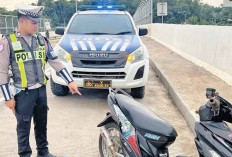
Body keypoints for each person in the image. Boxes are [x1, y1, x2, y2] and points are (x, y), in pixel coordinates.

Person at [0, 4, 82, 157]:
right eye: (33, 22)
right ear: (22, 21)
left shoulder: (40, 40)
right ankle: (25, 154)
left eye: (38, 22)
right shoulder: (8, 41)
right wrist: (7, 97)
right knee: (23, 127)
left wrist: (70, 81)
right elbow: (1, 71)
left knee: (42, 124)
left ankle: (43, 153)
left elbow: (55, 61)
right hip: (23, 93)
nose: (37, 25)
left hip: (41, 91)